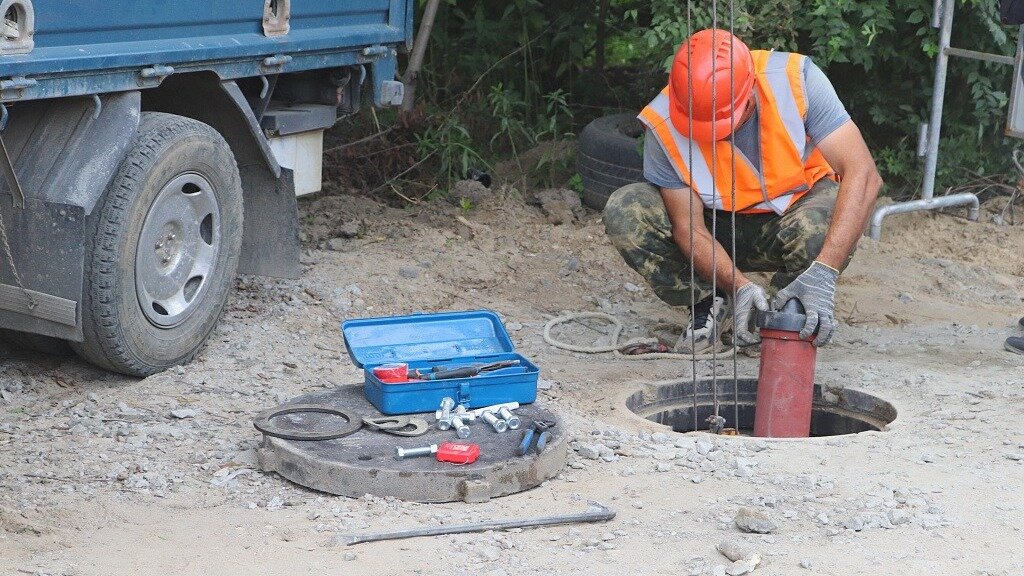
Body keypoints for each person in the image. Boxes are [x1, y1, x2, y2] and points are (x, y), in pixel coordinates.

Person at [603, 29, 883, 353]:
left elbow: (863, 175)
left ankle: (784, 314)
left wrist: (824, 271)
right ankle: (712, 300)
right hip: (716, 227)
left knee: (827, 220)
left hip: (793, 211)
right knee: (627, 210)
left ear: (749, 91)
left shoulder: (795, 80)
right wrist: (739, 287)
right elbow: (690, 229)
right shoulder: (663, 121)